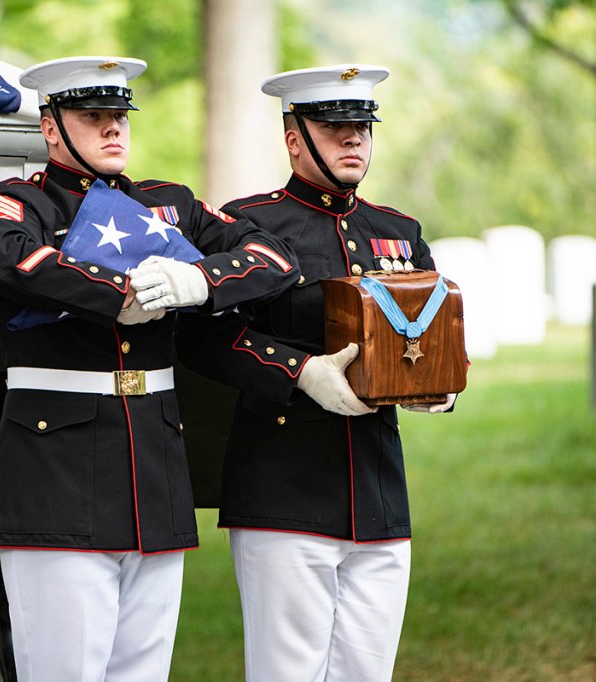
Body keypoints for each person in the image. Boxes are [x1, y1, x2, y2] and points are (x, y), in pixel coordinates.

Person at [0, 56, 299, 682]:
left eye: (119, 115)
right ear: (50, 128)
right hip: (56, 474)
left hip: (153, 474)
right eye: (92, 117)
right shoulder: (15, 203)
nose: (114, 128)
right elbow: (11, 261)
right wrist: (124, 295)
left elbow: (273, 255)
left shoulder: (168, 206)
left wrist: (198, 279)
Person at [176, 64, 455, 681]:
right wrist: (299, 371)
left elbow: (431, 326)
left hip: (379, 495)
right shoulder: (249, 226)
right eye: (333, 126)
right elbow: (201, 336)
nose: (353, 138)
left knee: (366, 673)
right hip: (283, 489)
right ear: (294, 137)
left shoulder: (398, 232)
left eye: (362, 125)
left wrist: (432, 384)